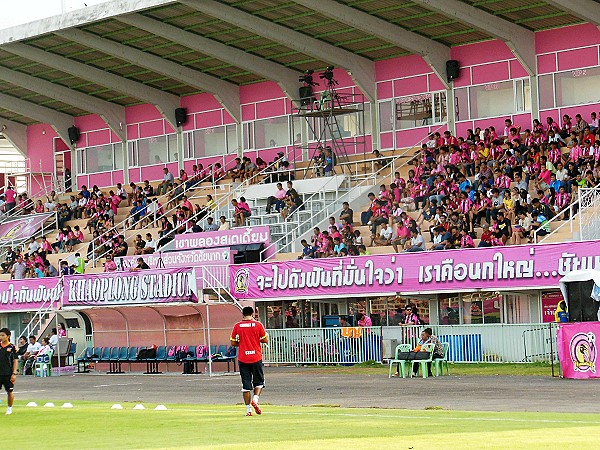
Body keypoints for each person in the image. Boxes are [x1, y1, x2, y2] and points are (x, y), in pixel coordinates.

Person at [230, 306, 269, 416]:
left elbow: (233, 342)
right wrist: (256, 339)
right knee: (259, 382)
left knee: (246, 385)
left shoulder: (237, 326)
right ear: (253, 314)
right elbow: (265, 339)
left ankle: (248, 410)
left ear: (242, 314)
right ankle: (255, 400)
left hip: (243, 358)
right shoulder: (258, 325)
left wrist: (241, 343)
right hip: (256, 357)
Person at [0, 328, 18, 415]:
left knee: (9, 391)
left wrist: (14, 373)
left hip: (8, 373)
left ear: (8, 336)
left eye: (3, 335)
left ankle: (9, 408)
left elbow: (15, 361)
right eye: (0, 335)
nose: (1, 337)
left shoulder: (12, 347)